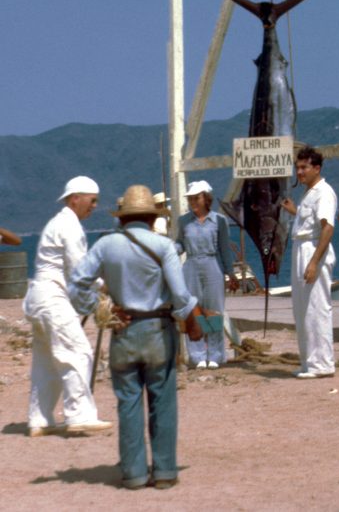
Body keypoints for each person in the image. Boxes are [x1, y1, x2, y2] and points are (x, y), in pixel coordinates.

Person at [69, 185, 203, 490]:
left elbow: (76, 284)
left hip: (123, 330)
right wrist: (193, 325)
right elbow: (180, 295)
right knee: (162, 402)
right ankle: (165, 472)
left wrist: (101, 309)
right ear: (153, 218)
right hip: (158, 331)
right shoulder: (164, 246)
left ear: (122, 218)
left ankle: (134, 474)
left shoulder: (105, 245)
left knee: (128, 403)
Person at [22, 175, 112, 436]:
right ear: (75, 199)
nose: (94, 206)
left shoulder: (58, 222)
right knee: (78, 352)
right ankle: (79, 415)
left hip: (37, 298)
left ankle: (40, 420)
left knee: (46, 362)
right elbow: (79, 269)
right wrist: (104, 286)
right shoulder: (69, 226)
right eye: (92, 201)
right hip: (52, 299)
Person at [281, 146, 337, 378]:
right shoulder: (309, 193)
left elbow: (327, 228)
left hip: (313, 250)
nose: (300, 172)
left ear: (317, 168)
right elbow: (309, 222)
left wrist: (314, 262)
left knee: (317, 308)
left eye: (304, 167)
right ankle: (308, 362)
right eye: (298, 167)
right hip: (302, 247)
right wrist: (295, 212)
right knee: (302, 309)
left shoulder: (324, 192)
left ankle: (322, 364)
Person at [176, 180, 238, 369]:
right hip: (191, 265)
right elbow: (180, 244)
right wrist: (169, 251)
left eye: (196, 198)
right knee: (193, 310)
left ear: (206, 198)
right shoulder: (183, 221)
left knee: (214, 311)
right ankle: (197, 356)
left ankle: (215, 355)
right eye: (190, 199)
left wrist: (230, 273)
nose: (193, 202)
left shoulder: (219, 220)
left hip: (213, 265)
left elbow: (224, 248)